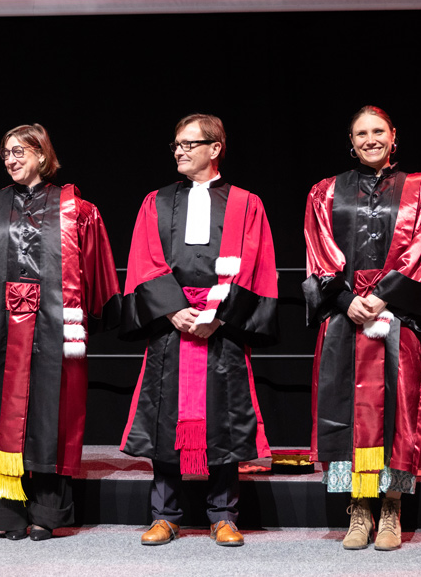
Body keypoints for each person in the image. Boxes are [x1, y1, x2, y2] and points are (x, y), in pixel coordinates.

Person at [119, 114, 278, 547]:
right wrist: (174, 312)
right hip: (173, 327)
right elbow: (145, 258)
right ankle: (164, 514)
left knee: (223, 418)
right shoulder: (156, 200)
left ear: (215, 147)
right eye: (176, 145)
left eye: (189, 144)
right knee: (163, 417)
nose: (180, 151)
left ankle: (223, 514)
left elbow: (257, 264)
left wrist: (219, 315)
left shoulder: (247, 203)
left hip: (221, 326)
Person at [303, 106, 421, 551]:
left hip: (397, 318)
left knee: (396, 413)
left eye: (378, 131)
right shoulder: (325, 192)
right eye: (361, 133)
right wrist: (348, 301)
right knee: (348, 411)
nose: (370, 139)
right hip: (343, 318)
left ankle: (391, 508)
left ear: (393, 137)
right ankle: (359, 507)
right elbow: (319, 249)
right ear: (351, 141)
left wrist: (383, 296)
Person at [0, 123, 121, 541]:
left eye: (20, 151)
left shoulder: (77, 208)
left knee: (52, 412)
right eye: (5, 152)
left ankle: (49, 511)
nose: (12, 159)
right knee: (4, 413)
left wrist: (101, 311)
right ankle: (8, 513)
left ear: (42, 154)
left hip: (55, 323)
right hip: (1, 325)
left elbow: (95, 264)